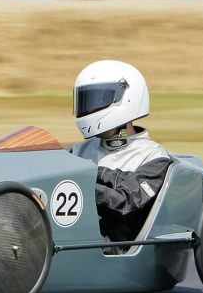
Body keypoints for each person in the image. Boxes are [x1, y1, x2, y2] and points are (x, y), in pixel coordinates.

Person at [69, 60, 171, 245]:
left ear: (128, 99)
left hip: (110, 248)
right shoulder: (79, 150)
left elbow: (126, 204)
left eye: (97, 101)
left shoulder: (154, 157)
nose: (89, 109)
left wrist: (81, 181)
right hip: (69, 237)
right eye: (86, 101)